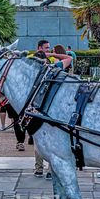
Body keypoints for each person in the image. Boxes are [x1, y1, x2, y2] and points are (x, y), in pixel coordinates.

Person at [33, 40, 72, 178]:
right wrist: (53, 54)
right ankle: (50, 169)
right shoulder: (53, 67)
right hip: (52, 108)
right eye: (46, 49)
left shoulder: (33, 72)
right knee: (52, 139)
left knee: (38, 138)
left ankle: (38, 168)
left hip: (38, 109)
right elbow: (69, 58)